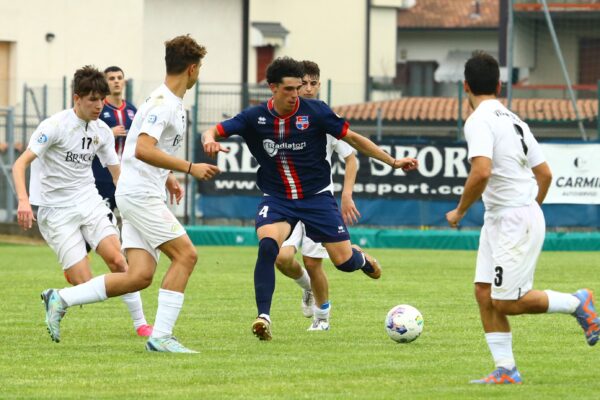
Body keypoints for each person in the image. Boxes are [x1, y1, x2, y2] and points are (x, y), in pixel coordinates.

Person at [203, 57, 419, 341]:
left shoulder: (316, 112)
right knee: (269, 247)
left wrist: (392, 162)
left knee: (343, 262)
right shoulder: (253, 117)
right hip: (278, 198)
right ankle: (263, 317)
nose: (296, 95)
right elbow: (214, 129)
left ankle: (361, 258)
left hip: (317, 199)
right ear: (272, 88)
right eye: (290, 89)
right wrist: (209, 140)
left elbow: (353, 139)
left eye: (299, 88)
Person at [36, 35, 220, 353]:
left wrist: (169, 176)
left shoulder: (167, 103)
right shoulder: (163, 104)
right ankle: (161, 337)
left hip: (140, 192)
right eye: (199, 67)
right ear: (192, 69)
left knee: (139, 276)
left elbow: (147, 151)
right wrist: (190, 167)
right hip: (140, 196)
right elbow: (143, 149)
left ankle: (60, 298)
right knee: (187, 255)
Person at [446, 51, 599, 384]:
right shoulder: (514, 119)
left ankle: (578, 302)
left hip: (512, 218)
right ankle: (506, 369)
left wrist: (460, 210)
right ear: (500, 84)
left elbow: (481, 171)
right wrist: (531, 208)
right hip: (504, 217)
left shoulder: (478, 120)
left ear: (465, 86)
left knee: (506, 302)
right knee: (484, 293)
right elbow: (545, 175)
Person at [12, 66, 152, 337]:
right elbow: (20, 164)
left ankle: (142, 325)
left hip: (89, 201)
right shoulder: (54, 126)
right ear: (77, 98)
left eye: (101, 99)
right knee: (85, 284)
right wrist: (23, 201)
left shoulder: (102, 131)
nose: (99, 105)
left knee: (120, 263)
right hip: (55, 211)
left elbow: (115, 173)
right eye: (92, 99)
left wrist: (132, 205)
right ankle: (62, 295)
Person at [274, 60, 360, 331]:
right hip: (287, 200)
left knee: (313, 262)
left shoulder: (324, 118)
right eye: (303, 84)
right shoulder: (282, 116)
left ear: (319, 85)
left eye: (313, 83)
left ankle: (321, 319)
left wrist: (346, 195)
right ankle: (307, 288)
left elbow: (351, 158)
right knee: (282, 258)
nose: (308, 89)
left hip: (316, 200)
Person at [92, 66, 137, 211]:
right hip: (102, 175)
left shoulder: (132, 110)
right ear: (105, 83)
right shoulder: (98, 109)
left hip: (127, 176)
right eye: (111, 79)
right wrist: (109, 134)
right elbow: (86, 138)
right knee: (103, 217)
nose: (116, 81)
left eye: (119, 78)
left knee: (131, 217)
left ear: (124, 82)